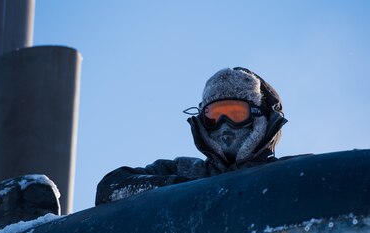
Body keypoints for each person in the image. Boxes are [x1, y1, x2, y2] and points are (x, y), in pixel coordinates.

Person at [95, 67, 287, 206]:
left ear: (258, 119)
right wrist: (181, 190)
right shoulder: (185, 171)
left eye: (235, 114)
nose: (224, 125)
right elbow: (110, 188)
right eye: (214, 116)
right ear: (203, 122)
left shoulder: (283, 174)